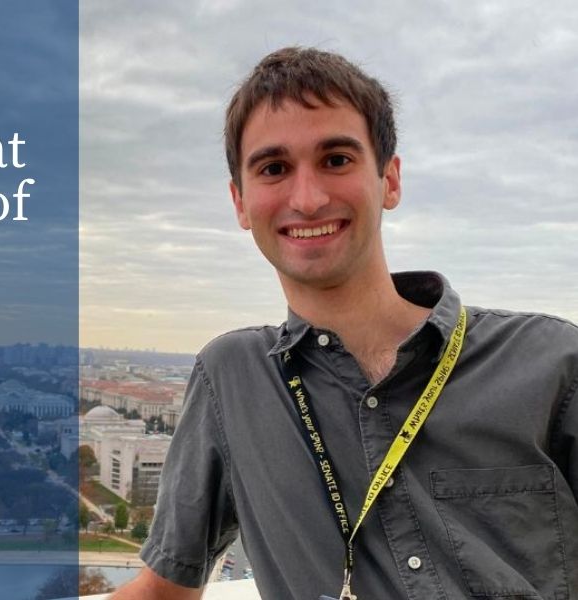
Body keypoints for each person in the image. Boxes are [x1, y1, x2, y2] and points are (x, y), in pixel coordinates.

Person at [109, 47, 578, 600]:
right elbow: (163, 591)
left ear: (390, 180)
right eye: (274, 168)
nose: (307, 199)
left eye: (336, 159)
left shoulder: (551, 363)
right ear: (240, 202)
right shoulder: (231, 379)